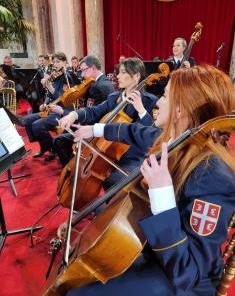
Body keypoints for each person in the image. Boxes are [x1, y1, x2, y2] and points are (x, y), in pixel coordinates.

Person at [58, 64, 235, 296]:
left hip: (181, 282)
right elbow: (134, 132)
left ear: (180, 110)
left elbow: (188, 272)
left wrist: (162, 198)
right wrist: (95, 129)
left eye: (164, 96)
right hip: (153, 249)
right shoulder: (178, 141)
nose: (158, 102)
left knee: (77, 294)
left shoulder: (212, 176)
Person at [55, 58, 158, 189]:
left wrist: (142, 110)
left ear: (136, 76)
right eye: (118, 72)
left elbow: (152, 133)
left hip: (133, 155)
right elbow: (94, 111)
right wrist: (73, 114)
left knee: (112, 182)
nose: (118, 76)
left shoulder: (150, 101)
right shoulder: (115, 98)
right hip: (107, 147)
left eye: (123, 72)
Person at [24, 52, 75, 161]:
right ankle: (45, 146)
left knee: (37, 125)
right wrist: (45, 104)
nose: (55, 64)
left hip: (62, 111)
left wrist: (50, 87)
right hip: (50, 109)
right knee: (27, 120)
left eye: (58, 62)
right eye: (54, 62)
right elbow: (50, 96)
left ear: (65, 62)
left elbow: (64, 99)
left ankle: (53, 149)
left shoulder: (67, 77)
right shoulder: (55, 76)